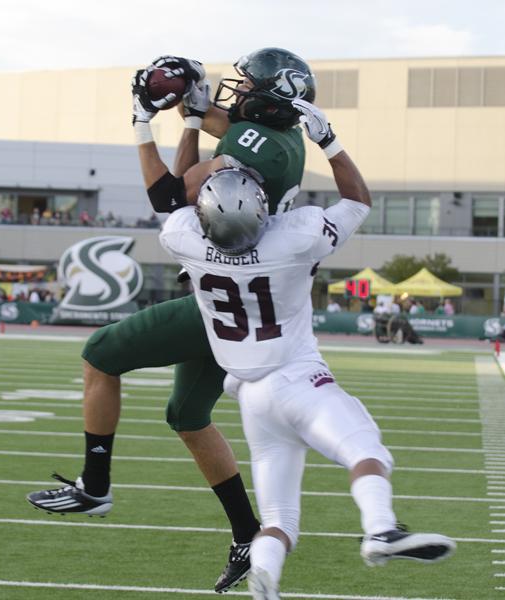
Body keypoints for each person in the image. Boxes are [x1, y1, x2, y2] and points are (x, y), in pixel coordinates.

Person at [27, 48, 315, 593]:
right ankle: (247, 533)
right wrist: (190, 110)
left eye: (248, 85)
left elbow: (168, 194)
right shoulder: (285, 140)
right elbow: (221, 134)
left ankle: (95, 483)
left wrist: (142, 120)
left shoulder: (252, 145)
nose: (238, 92)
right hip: (247, 300)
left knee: (99, 356)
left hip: (219, 300)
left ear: (270, 97)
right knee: (187, 416)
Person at [159, 103, 455, 598]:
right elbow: (358, 201)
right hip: (297, 379)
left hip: (251, 397)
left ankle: (265, 577)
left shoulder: (183, 238)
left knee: (278, 520)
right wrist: (330, 143)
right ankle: (381, 528)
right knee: (366, 450)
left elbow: (175, 196)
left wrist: (190, 124)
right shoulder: (295, 237)